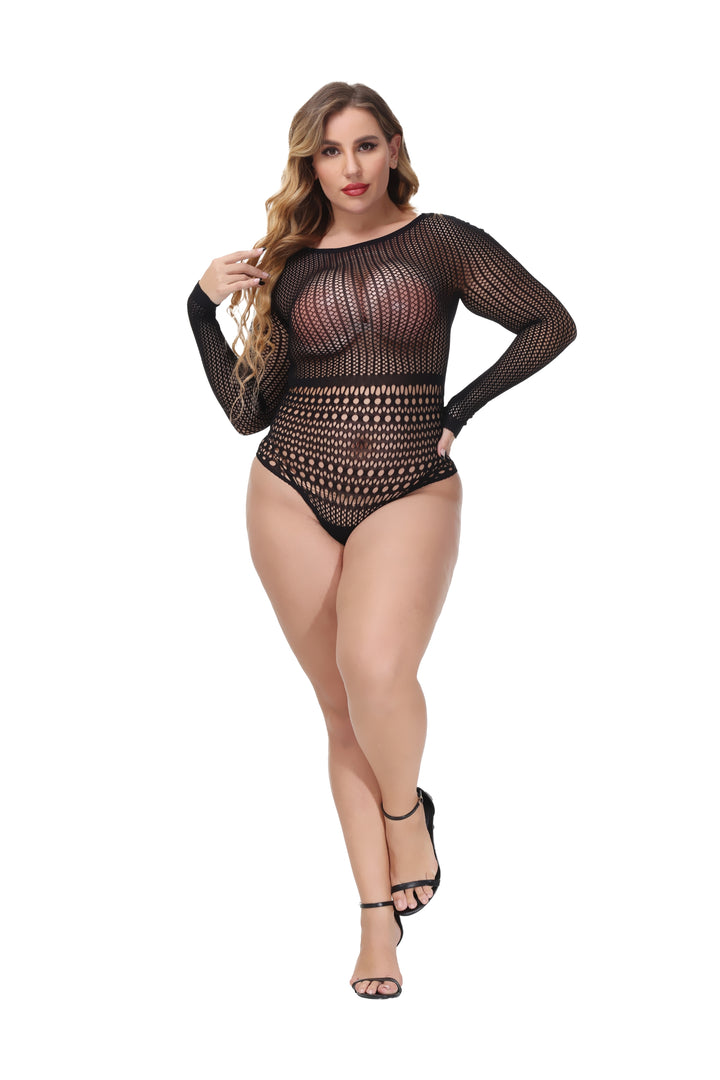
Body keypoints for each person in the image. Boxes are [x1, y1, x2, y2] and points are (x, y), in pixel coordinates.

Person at [186, 81, 577, 1000]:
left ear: (394, 147)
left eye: (364, 145)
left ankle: (408, 814)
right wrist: (198, 309)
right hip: (288, 489)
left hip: (410, 485)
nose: (350, 168)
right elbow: (248, 411)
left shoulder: (441, 242)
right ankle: (375, 922)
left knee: (374, 670)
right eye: (329, 151)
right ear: (310, 164)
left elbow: (550, 322)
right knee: (339, 711)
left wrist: (460, 410)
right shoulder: (288, 263)